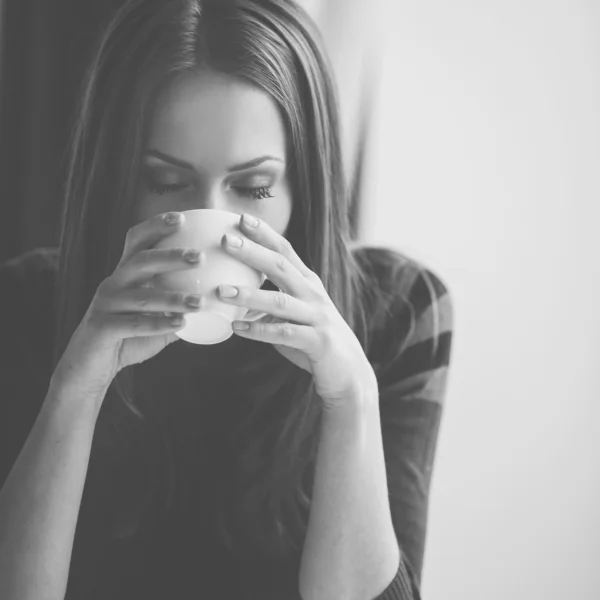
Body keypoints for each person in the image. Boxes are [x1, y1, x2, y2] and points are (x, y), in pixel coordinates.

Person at [0, 1, 454, 598]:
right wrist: (75, 390)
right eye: (164, 181)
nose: (216, 221)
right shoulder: (29, 302)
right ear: (116, 176)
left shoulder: (400, 311)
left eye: (254, 186)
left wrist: (351, 399)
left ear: (306, 184)